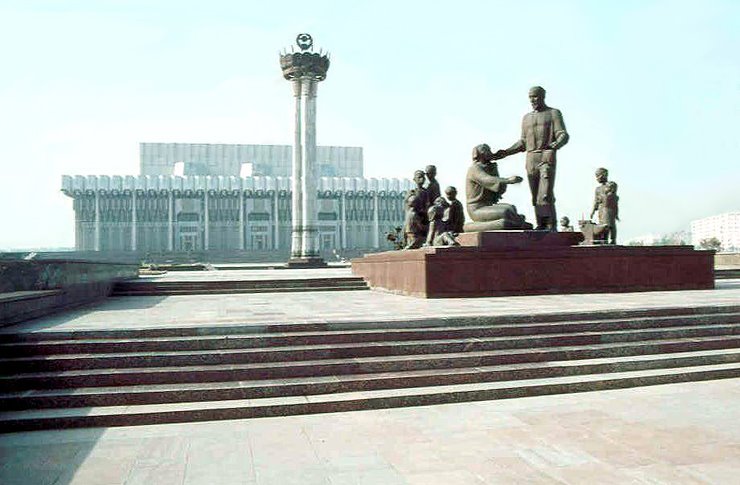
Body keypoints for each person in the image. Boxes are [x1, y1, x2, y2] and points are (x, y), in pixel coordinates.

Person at [494, 86, 569, 231]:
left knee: (545, 194)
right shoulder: (526, 118)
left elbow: (563, 134)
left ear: (543, 96)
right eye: (530, 97)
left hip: (546, 156)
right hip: (531, 159)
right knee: (535, 196)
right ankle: (541, 225)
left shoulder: (553, 113)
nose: (533, 100)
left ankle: (551, 225)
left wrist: (555, 145)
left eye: (535, 96)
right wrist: (506, 152)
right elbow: (523, 142)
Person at [465, 144, 531, 229]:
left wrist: (494, 170)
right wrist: (508, 180)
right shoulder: (475, 168)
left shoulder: (489, 167)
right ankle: (507, 223)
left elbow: (498, 190)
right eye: (486, 151)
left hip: (488, 206)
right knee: (506, 212)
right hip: (477, 209)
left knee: (511, 208)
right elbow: (487, 179)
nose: (490, 153)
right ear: (479, 154)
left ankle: (513, 222)